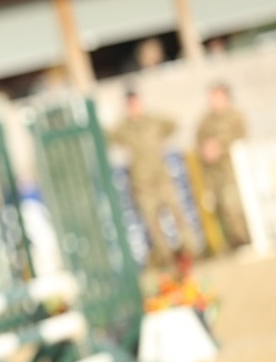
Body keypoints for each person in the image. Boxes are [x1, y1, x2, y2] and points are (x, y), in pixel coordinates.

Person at [107, 90, 196, 267]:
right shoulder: (125, 128)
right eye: (131, 106)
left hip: (162, 178)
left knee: (178, 215)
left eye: (136, 104)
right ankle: (166, 258)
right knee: (154, 225)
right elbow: (110, 137)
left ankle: (190, 251)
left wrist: (162, 139)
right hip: (142, 184)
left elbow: (173, 124)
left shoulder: (154, 121)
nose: (135, 109)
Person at [195, 82, 250, 250]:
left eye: (216, 96)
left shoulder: (235, 115)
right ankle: (235, 241)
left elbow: (242, 137)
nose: (213, 100)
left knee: (235, 205)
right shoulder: (206, 121)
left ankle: (245, 239)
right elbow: (199, 143)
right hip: (214, 173)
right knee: (223, 209)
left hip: (234, 171)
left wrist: (220, 147)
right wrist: (206, 150)